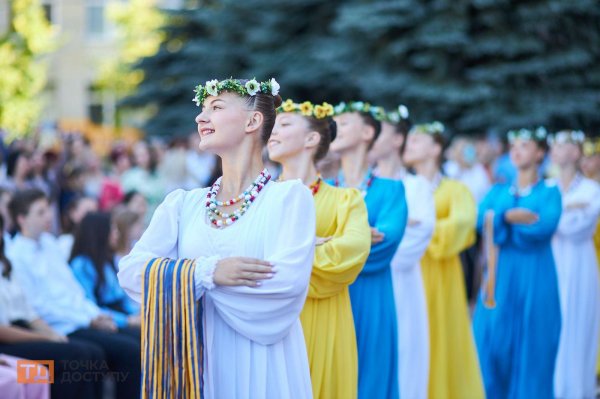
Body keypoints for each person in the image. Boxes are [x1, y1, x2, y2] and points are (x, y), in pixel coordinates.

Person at [118, 78, 316, 399]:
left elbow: (286, 285)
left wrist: (192, 287)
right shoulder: (183, 204)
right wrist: (206, 273)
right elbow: (131, 273)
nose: (200, 117)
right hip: (193, 365)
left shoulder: (289, 198)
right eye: (202, 108)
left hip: (263, 365)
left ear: (253, 121)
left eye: (216, 107)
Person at [268, 99, 371, 399]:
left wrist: (286, 256)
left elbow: (352, 251)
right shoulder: (260, 199)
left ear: (311, 139)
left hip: (326, 319)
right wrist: (309, 247)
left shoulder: (346, 200)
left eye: (284, 125)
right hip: (270, 316)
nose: (272, 132)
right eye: (273, 126)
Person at [7, 188, 141, 399]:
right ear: (22, 219)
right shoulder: (16, 255)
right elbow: (39, 305)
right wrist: (89, 319)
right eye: (40, 212)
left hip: (81, 318)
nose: (49, 216)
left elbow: (74, 291)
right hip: (62, 325)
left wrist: (95, 314)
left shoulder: (50, 244)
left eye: (48, 210)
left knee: (135, 342)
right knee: (105, 354)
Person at [473, 127, 561, 398]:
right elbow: (480, 221)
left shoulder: (549, 191)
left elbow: (541, 227)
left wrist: (500, 220)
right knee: (492, 342)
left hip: (535, 277)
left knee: (534, 345)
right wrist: (508, 216)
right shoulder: (498, 190)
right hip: (500, 278)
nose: (517, 150)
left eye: (525, 145)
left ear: (540, 153)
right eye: (514, 145)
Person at [328, 101, 407, 399]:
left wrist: (334, 239)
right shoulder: (322, 188)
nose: (336, 128)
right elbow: (305, 240)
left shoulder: (391, 189)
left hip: (372, 294)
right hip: (329, 294)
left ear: (367, 132)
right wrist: (359, 235)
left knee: (371, 376)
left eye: (345, 123)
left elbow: (386, 242)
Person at [403, 122, 484, 399]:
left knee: (441, 335)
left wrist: (421, 227)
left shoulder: (454, 189)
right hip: (405, 270)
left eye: (417, 139)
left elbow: (463, 224)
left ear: (436, 148)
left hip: (442, 273)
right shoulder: (399, 185)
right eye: (408, 139)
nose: (409, 143)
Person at [368, 105, 435, 399]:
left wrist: (375, 242)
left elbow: (419, 235)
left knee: (406, 349)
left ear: (397, 139)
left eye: (379, 132)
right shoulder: (359, 184)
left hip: (401, 284)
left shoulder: (417, 186)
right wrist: (400, 223)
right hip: (361, 284)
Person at [0, 213, 105, 399]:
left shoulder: (6, 264)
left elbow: (30, 313)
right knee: (74, 358)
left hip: (24, 331)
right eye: (39, 212)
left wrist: (51, 334)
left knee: (92, 355)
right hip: (7, 344)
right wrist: (42, 338)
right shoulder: (18, 255)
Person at [549, 130, 600, 399]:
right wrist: (569, 208)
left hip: (580, 264)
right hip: (551, 262)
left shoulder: (592, 189)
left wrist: (554, 214)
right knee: (553, 322)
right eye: (555, 146)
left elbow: (578, 227)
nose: (559, 151)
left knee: (579, 323)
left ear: (577, 152)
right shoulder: (546, 188)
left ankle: (578, 390)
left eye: (565, 145)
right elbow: (543, 223)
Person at [70, 212, 141, 329]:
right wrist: (127, 320)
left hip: (120, 314)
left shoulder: (106, 260)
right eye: (113, 229)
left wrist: (139, 313)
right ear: (100, 232)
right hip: (105, 319)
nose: (117, 234)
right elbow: (90, 305)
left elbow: (121, 299)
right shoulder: (81, 265)